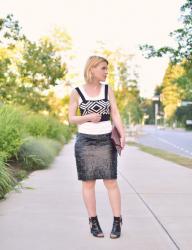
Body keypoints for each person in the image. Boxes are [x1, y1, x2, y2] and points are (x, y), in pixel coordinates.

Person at [68, 55, 125, 239]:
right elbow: (71, 118)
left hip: (106, 139)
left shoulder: (108, 90)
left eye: (107, 69)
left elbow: (115, 112)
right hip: (85, 141)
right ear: (92, 69)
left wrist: (122, 134)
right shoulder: (77, 92)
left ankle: (117, 221)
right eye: (103, 68)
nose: (106, 72)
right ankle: (93, 222)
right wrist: (88, 117)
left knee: (111, 182)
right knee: (88, 183)